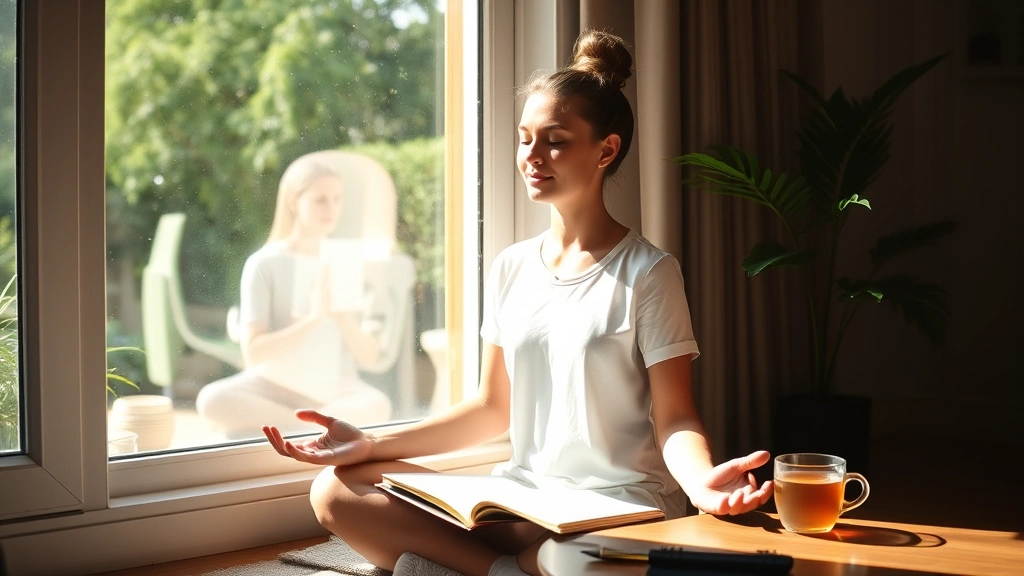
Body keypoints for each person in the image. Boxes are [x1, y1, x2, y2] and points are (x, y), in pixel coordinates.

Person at [261, 30, 773, 576]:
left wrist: (700, 484)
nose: (532, 156)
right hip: (525, 500)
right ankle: (510, 569)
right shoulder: (512, 266)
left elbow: (676, 416)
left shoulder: (649, 272)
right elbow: (491, 408)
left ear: (606, 150)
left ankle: (488, 567)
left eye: (555, 141)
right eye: (525, 138)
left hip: (617, 510)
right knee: (336, 490)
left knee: (581, 559)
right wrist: (370, 445)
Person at [197, 154, 392, 438]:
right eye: (320, 200)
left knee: (378, 405)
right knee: (211, 400)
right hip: (271, 388)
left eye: (337, 199)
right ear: (293, 202)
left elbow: (369, 356)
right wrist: (313, 318)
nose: (331, 209)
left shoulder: (345, 260)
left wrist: (343, 319)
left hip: (334, 391)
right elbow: (253, 353)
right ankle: (315, 427)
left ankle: (297, 427)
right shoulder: (264, 263)